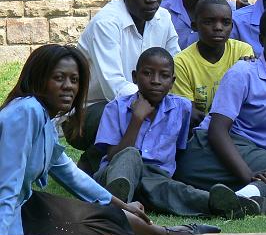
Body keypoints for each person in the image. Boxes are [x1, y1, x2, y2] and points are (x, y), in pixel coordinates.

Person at [0, 44, 217, 235]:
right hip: (10, 210)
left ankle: (166, 232)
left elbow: (71, 174)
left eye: (74, 80)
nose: (69, 86)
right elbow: (7, 185)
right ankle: (170, 233)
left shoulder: (43, 118)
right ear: (39, 79)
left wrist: (124, 206)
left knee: (106, 216)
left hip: (24, 202)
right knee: (98, 223)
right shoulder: (27, 111)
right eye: (59, 78)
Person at [174, 5, 266, 216]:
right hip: (215, 150)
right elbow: (217, 131)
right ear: (261, 41)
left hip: (256, 155)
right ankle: (245, 196)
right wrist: (248, 175)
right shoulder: (243, 73)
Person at [94, 47, 257, 218]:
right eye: (148, 74)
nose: (156, 81)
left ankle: (227, 205)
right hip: (114, 175)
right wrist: (137, 119)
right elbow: (113, 156)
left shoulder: (181, 108)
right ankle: (118, 201)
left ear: (172, 82)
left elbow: (178, 149)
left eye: (164, 76)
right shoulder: (115, 108)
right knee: (131, 155)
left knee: (176, 190)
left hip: (155, 180)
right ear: (135, 77)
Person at [72, 0, 180, 174]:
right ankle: (95, 161)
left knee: (180, 110)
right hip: (89, 113)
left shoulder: (164, 18)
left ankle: (142, 167)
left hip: (145, 100)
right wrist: (157, 101)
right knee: (122, 111)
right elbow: (113, 87)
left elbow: (177, 64)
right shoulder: (106, 23)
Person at [172, 0, 254, 126]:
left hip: (238, 129)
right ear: (195, 25)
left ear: (232, 26)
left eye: (225, 22)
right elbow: (190, 114)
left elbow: (248, 103)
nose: (218, 28)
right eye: (209, 22)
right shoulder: (181, 63)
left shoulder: (242, 51)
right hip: (199, 132)